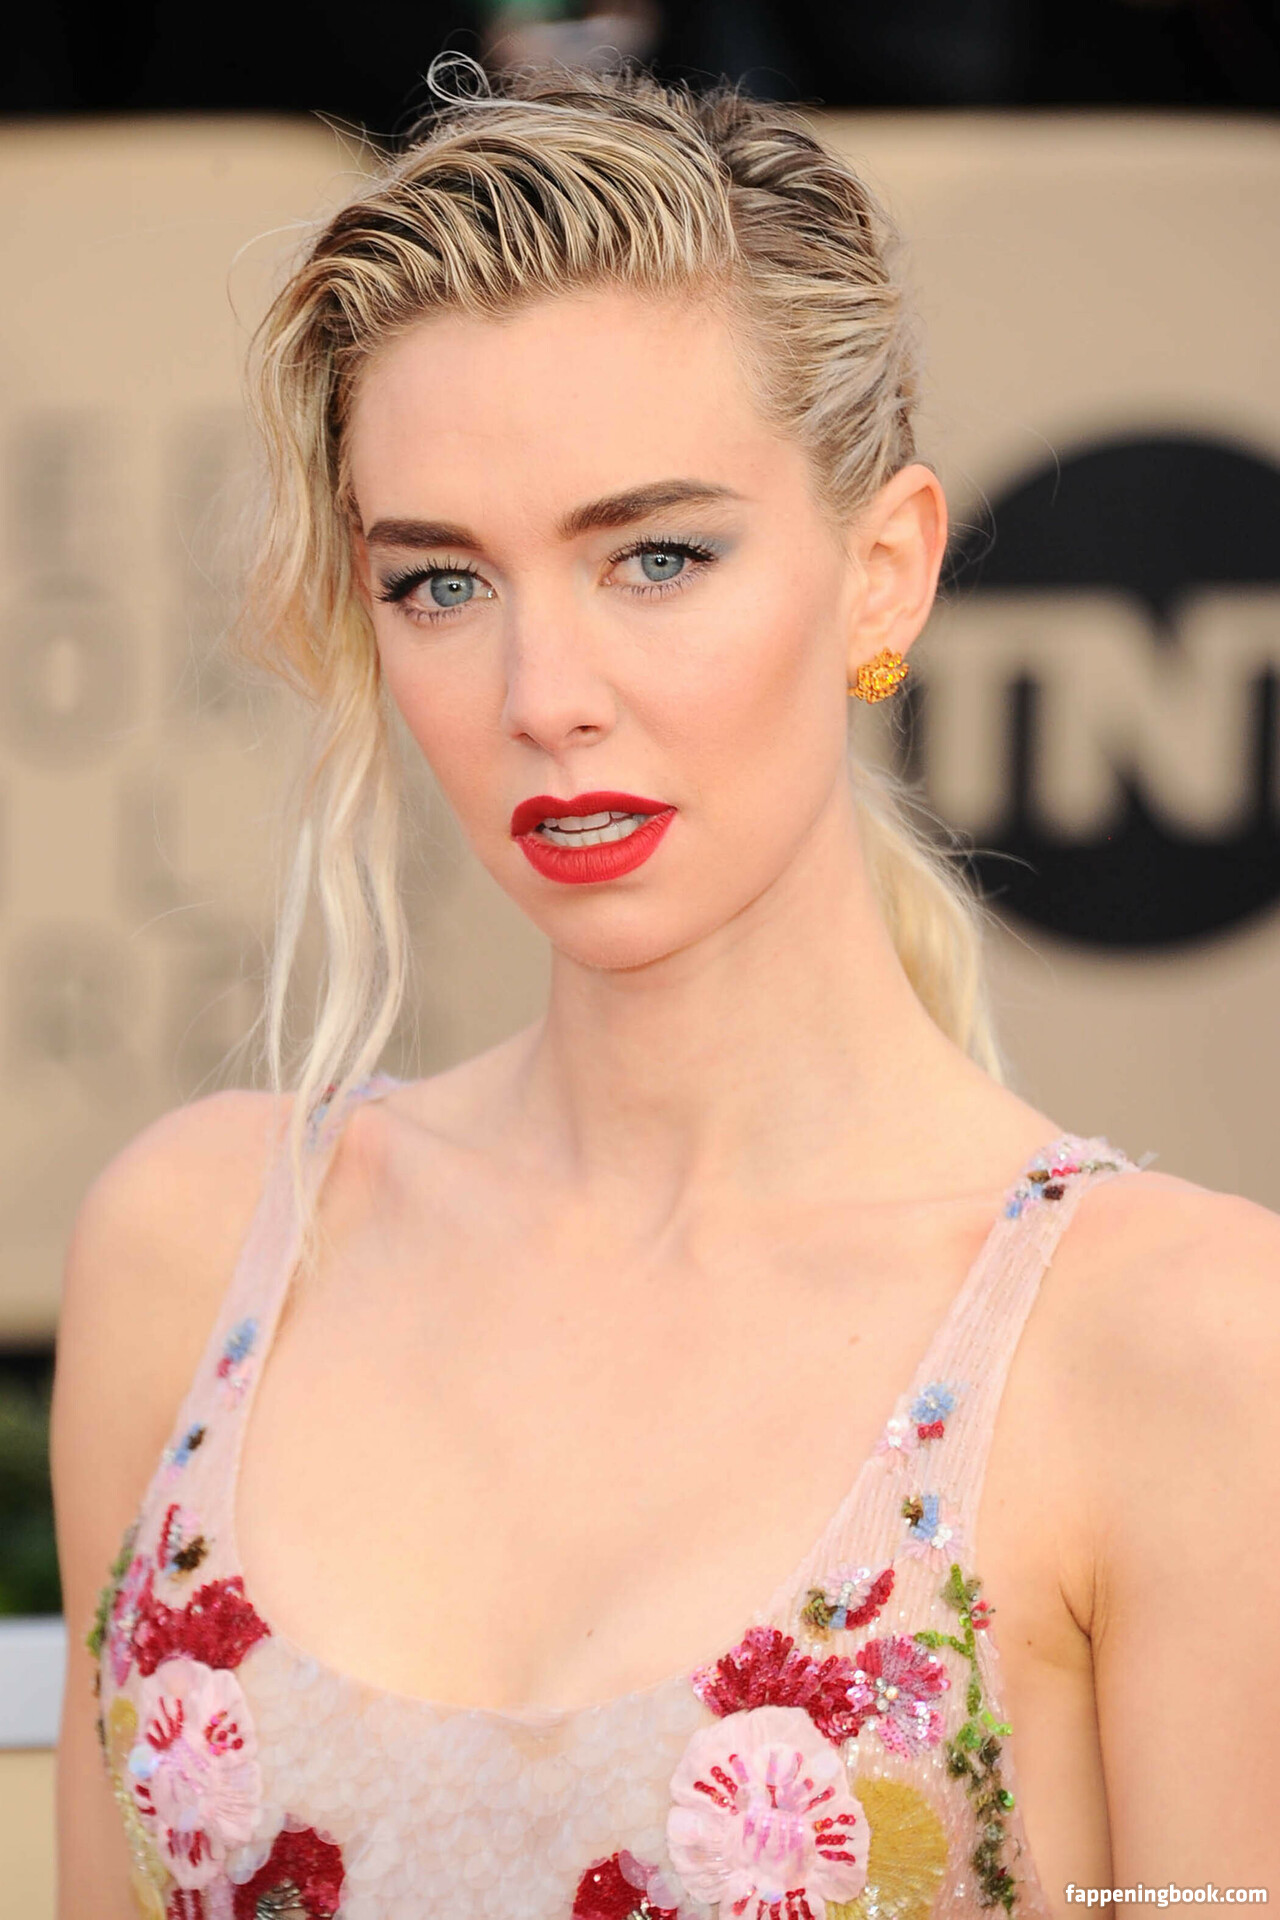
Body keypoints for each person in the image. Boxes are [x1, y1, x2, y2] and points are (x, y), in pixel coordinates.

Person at [51, 58, 1280, 1920]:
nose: (544, 692)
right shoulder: (200, 1247)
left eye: (658, 557)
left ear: (886, 573)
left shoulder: (1173, 1349)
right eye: (440, 583)